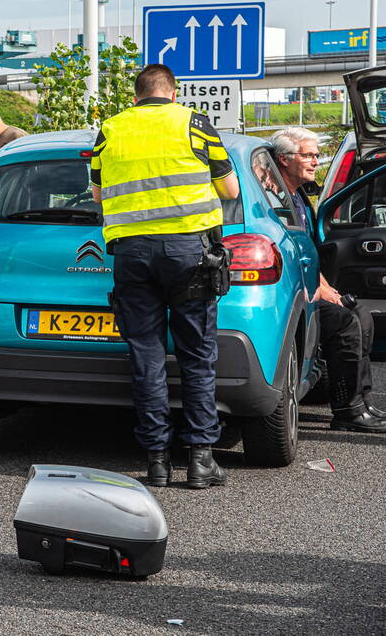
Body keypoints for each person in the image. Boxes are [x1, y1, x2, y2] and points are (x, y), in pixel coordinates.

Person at [90, 63, 241, 490]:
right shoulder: (195, 124)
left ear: (135, 96)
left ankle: (157, 461)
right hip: (188, 253)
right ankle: (200, 460)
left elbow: (98, 194)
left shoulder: (111, 130)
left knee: (146, 355)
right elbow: (230, 190)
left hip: (132, 253)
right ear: (173, 93)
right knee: (197, 354)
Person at [269, 127, 385, 432]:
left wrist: (326, 286)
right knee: (345, 323)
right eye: (307, 155)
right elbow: (291, 253)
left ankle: (363, 402)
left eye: (316, 155)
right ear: (284, 159)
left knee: (362, 316)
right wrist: (319, 290)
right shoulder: (273, 198)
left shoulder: (297, 197)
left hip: (308, 284)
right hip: (290, 294)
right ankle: (347, 411)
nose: (315, 162)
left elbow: (307, 249)